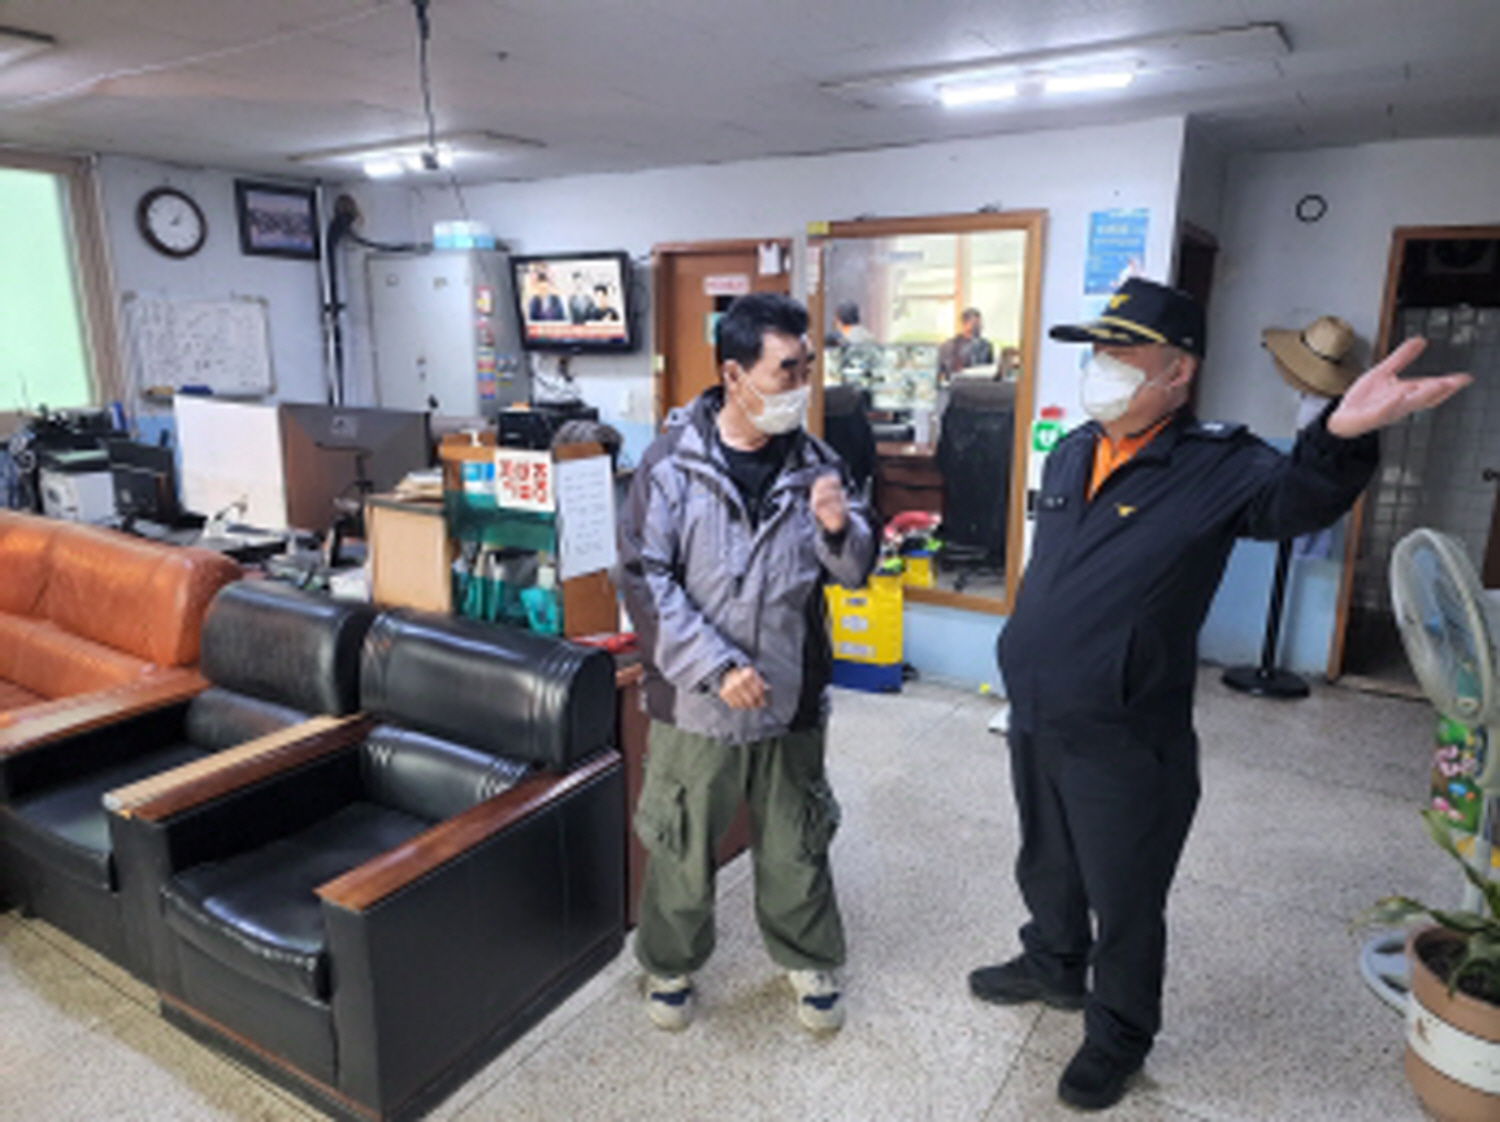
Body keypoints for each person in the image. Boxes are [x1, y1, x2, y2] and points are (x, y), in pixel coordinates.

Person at [971, 277, 1470, 1111]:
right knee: (1047, 858)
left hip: (1130, 729)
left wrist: (1339, 435)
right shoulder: (1073, 450)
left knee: (1126, 894)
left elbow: (1296, 499)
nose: (1102, 367)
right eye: (1098, 350)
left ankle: (1118, 1034)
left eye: (1124, 353)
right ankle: (1053, 963)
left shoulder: (1217, 463)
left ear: (1179, 372)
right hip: (1041, 707)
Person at [618, 292, 876, 1035]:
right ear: (733, 374)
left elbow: (856, 570)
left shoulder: (820, 463)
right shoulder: (671, 465)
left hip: (790, 694)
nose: (803, 384)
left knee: (798, 836)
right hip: (696, 698)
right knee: (682, 839)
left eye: (807, 366)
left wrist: (839, 528)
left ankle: (807, 955)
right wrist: (716, 666)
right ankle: (670, 963)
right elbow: (643, 578)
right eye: (786, 369)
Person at [937, 307, 995, 378]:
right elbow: (941, 372)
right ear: (965, 324)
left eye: (979, 324)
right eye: (975, 324)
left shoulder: (986, 346)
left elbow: (991, 370)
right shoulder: (949, 346)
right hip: (957, 382)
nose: (979, 327)